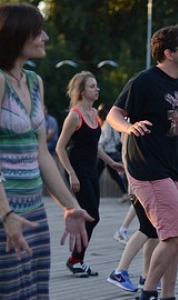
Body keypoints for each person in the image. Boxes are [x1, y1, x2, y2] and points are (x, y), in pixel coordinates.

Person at [0, 4, 92, 300]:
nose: (45, 38)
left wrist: (69, 204)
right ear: (15, 35)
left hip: (32, 215)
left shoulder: (34, 83)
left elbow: (42, 154)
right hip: (4, 214)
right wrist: (5, 214)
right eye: (37, 31)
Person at [107, 25, 178, 300]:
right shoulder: (145, 81)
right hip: (149, 169)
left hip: (175, 169)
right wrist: (129, 127)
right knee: (175, 233)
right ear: (168, 53)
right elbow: (114, 114)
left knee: (177, 235)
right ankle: (146, 296)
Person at [56, 71, 124, 278]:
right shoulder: (74, 115)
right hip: (78, 172)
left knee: (92, 216)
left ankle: (77, 260)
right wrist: (71, 174)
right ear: (82, 91)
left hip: (91, 170)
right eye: (92, 86)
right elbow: (60, 148)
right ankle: (75, 260)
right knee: (91, 215)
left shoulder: (94, 114)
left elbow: (94, 147)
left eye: (96, 85)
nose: (97, 89)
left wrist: (111, 162)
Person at [96, 103, 129, 203]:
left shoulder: (107, 123)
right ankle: (125, 193)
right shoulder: (110, 122)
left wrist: (96, 144)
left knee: (102, 173)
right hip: (107, 152)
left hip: (108, 152)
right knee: (100, 173)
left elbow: (106, 137)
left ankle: (125, 193)